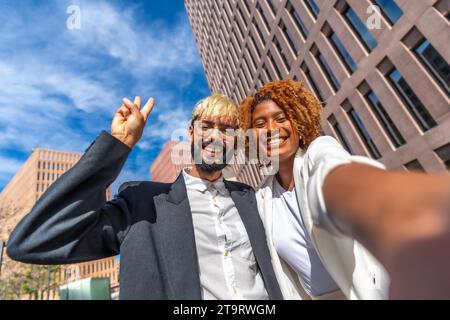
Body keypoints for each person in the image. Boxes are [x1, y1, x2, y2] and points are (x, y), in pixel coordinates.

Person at [7, 94, 283, 300]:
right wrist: (118, 146)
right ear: (191, 133)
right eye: (206, 126)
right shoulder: (142, 204)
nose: (215, 137)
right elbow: (33, 241)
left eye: (226, 130)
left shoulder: (253, 200)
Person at [239, 79, 450, 300]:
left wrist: (400, 208)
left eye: (281, 119)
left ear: (299, 124)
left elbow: (334, 172)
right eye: (260, 124)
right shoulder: (262, 197)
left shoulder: (319, 151)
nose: (271, 129)